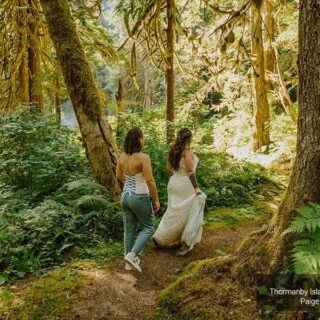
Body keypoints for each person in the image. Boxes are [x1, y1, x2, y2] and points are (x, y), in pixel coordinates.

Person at [152, 128, 206, 256]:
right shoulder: (186, 152)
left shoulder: (173, 151)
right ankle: (186, 241)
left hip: (173, 182)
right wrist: (196, 188)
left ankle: (161, 237)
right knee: (193, 207)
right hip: (185, 184)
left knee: (173, 211)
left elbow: (168, 168)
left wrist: (178, 173)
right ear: (189, 139)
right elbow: (191, 172)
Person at [116, 127, 160, 272]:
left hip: (125, 196)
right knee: (148, 227)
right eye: (143, 137)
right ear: (139, 140)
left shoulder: (122, 157)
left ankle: (128, 264)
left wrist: (129, 182)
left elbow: (118, 176)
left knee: (129, 230)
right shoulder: (143, 157)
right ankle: (132, 255)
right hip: (139, 196)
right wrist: (156, 200)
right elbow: (150, 180)